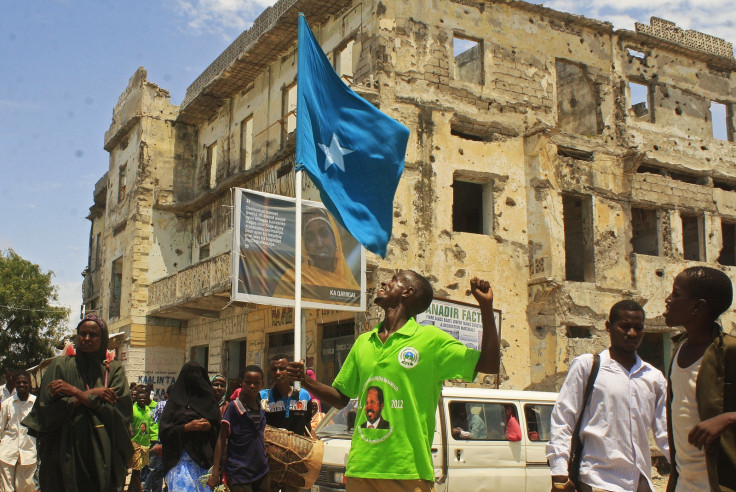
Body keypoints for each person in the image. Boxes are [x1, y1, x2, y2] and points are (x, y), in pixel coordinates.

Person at [287, 271, 499, 491]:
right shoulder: (363, 342)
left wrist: (486, 307)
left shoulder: (431, 341)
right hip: (361, 468)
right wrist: (305, 380)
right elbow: (341, 399)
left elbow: (489, 364)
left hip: (408, 471)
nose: (385, 281)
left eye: (394, 279)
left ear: (407, 292)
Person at [546, 300, 668, 492]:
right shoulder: (588, 366)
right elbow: (563, 419)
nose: (632, 334)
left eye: (638, 328)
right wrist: (560, 473)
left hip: (640, 483)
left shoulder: (654, 377)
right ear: (608, 327)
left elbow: (665, 433)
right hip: (597, 481)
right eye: (625, 327)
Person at [21, 313, 133, 492]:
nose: (86, 339)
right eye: (82, 334)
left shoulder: (113, 371)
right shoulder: (59, 366)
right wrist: (90, 395)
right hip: (63, 455)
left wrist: (73, 392)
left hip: (102, 456)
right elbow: (47, 411)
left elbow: (119, 412)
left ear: (102, 338)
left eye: (93, 335)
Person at [662, 266, 736, 492]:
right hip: (683, 484)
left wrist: (728, 418)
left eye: (676, 294)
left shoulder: (729, 350)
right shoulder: (679, 346)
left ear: (698, 306)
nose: (668, 299)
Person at [274, 207, 360, 304]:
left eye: (324, 234)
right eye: (310, 238)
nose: (319, 244)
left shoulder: (353, 290)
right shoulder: (292, 280)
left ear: (335, 239)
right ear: (305, 247)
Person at [159, 361, 220, 492]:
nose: (195, 377)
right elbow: (164, 432)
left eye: (198, 373)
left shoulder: (210, 403)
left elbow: (219, 432)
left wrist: (209, 427)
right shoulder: (175, 403)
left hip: (205, 463)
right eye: (192, 373)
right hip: (179, 463)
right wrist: (187, 427)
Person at [208, 365, 270, 492]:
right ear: (241, 382)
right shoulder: (233, 407)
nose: (252, 386)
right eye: (248, 382)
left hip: (261, 471)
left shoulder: (261, 408)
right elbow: (221, 438)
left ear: (262, 384)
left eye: (256, 383)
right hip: (239, 472)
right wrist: (215, 472)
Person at [260, 354, 312, 492]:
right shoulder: (264, 397)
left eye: (282, 368)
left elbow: (307, 426)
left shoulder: (304, 396)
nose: (278, 373)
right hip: (271, 462)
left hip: (296, 461)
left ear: (289, 371)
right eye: (274, 369)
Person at [0, 371, 36, 492]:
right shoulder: (7, 404)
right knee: (6, 489)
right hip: (7, 452)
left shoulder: (36, 404)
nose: (21, 384)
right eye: (18, 382)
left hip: (29, 452)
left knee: (26, 488)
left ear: (30, 384)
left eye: (24, 382)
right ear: (14, 384)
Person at [131, 384, 155, 492]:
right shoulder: (132, 409)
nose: (142, 400)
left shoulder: (148, 410)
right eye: (140, 398)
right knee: (136, 470)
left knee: (139, 469)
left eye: (144, 398)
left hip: (145, 443)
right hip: (135, 443)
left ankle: (131, 488)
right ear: (136, 398)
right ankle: (140, 489)